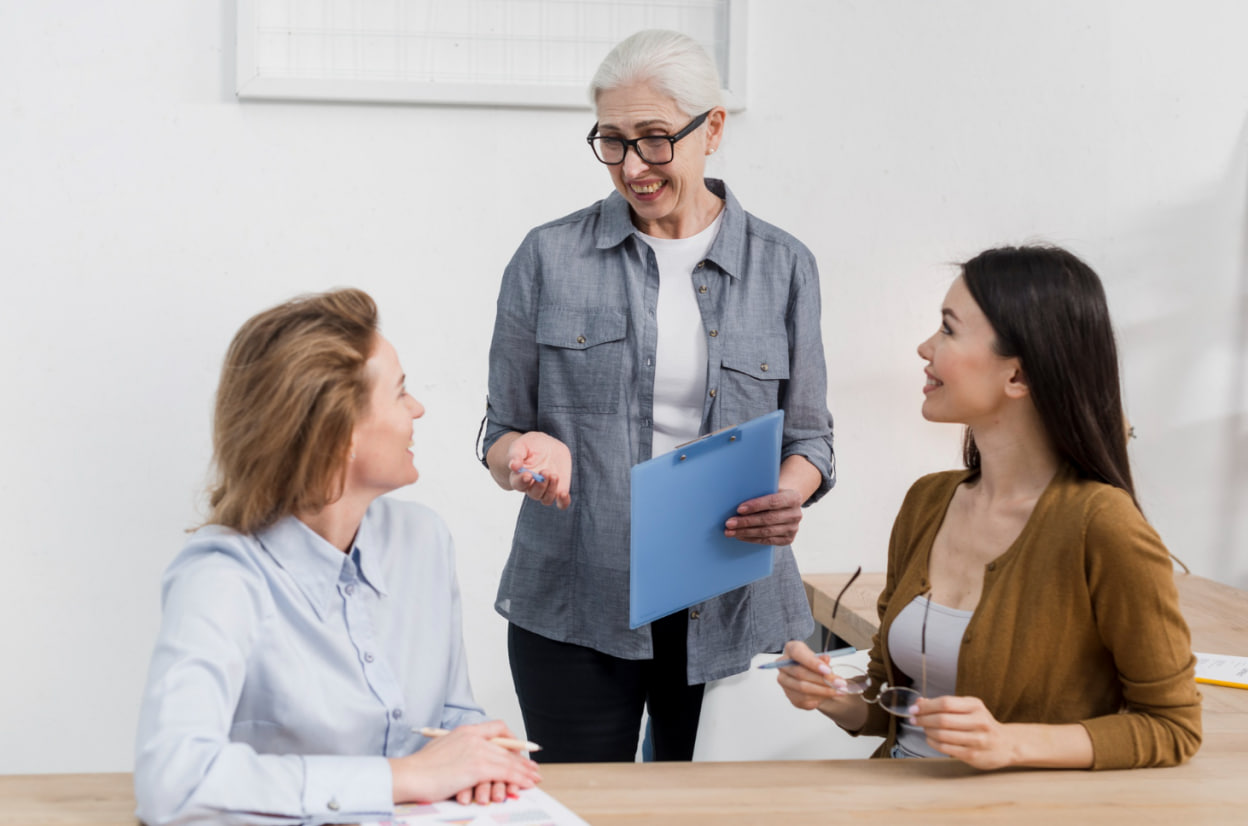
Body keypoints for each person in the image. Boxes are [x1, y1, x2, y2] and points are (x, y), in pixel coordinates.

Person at [481, 29, 835, 763]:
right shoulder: (547, 256)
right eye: (611, 141)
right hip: (577, 601)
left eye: (653, 139)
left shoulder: (784, 266)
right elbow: (500, 431)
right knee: (581, 809)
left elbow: (811, 440)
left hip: (734, 605)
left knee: (714, 815)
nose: (632, 167)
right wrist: (524, 454)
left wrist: (788, 495)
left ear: (712, 128)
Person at [775, 246, 1202, 769]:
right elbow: (893, 702)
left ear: (1018, 377)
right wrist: (836, 696)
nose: (924, 347)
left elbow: (1172, 726)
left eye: (949, 330)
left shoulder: (1103, 526)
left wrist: (1012, 744)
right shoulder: (927, 502)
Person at [135, 289, 541, 826]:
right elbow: (173, 781)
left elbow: (450, 717)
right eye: (400, 394)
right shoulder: (221, 576)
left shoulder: (424, 541)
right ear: (339, 434)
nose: (417, 408)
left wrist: (479, 754)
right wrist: (409, 778)